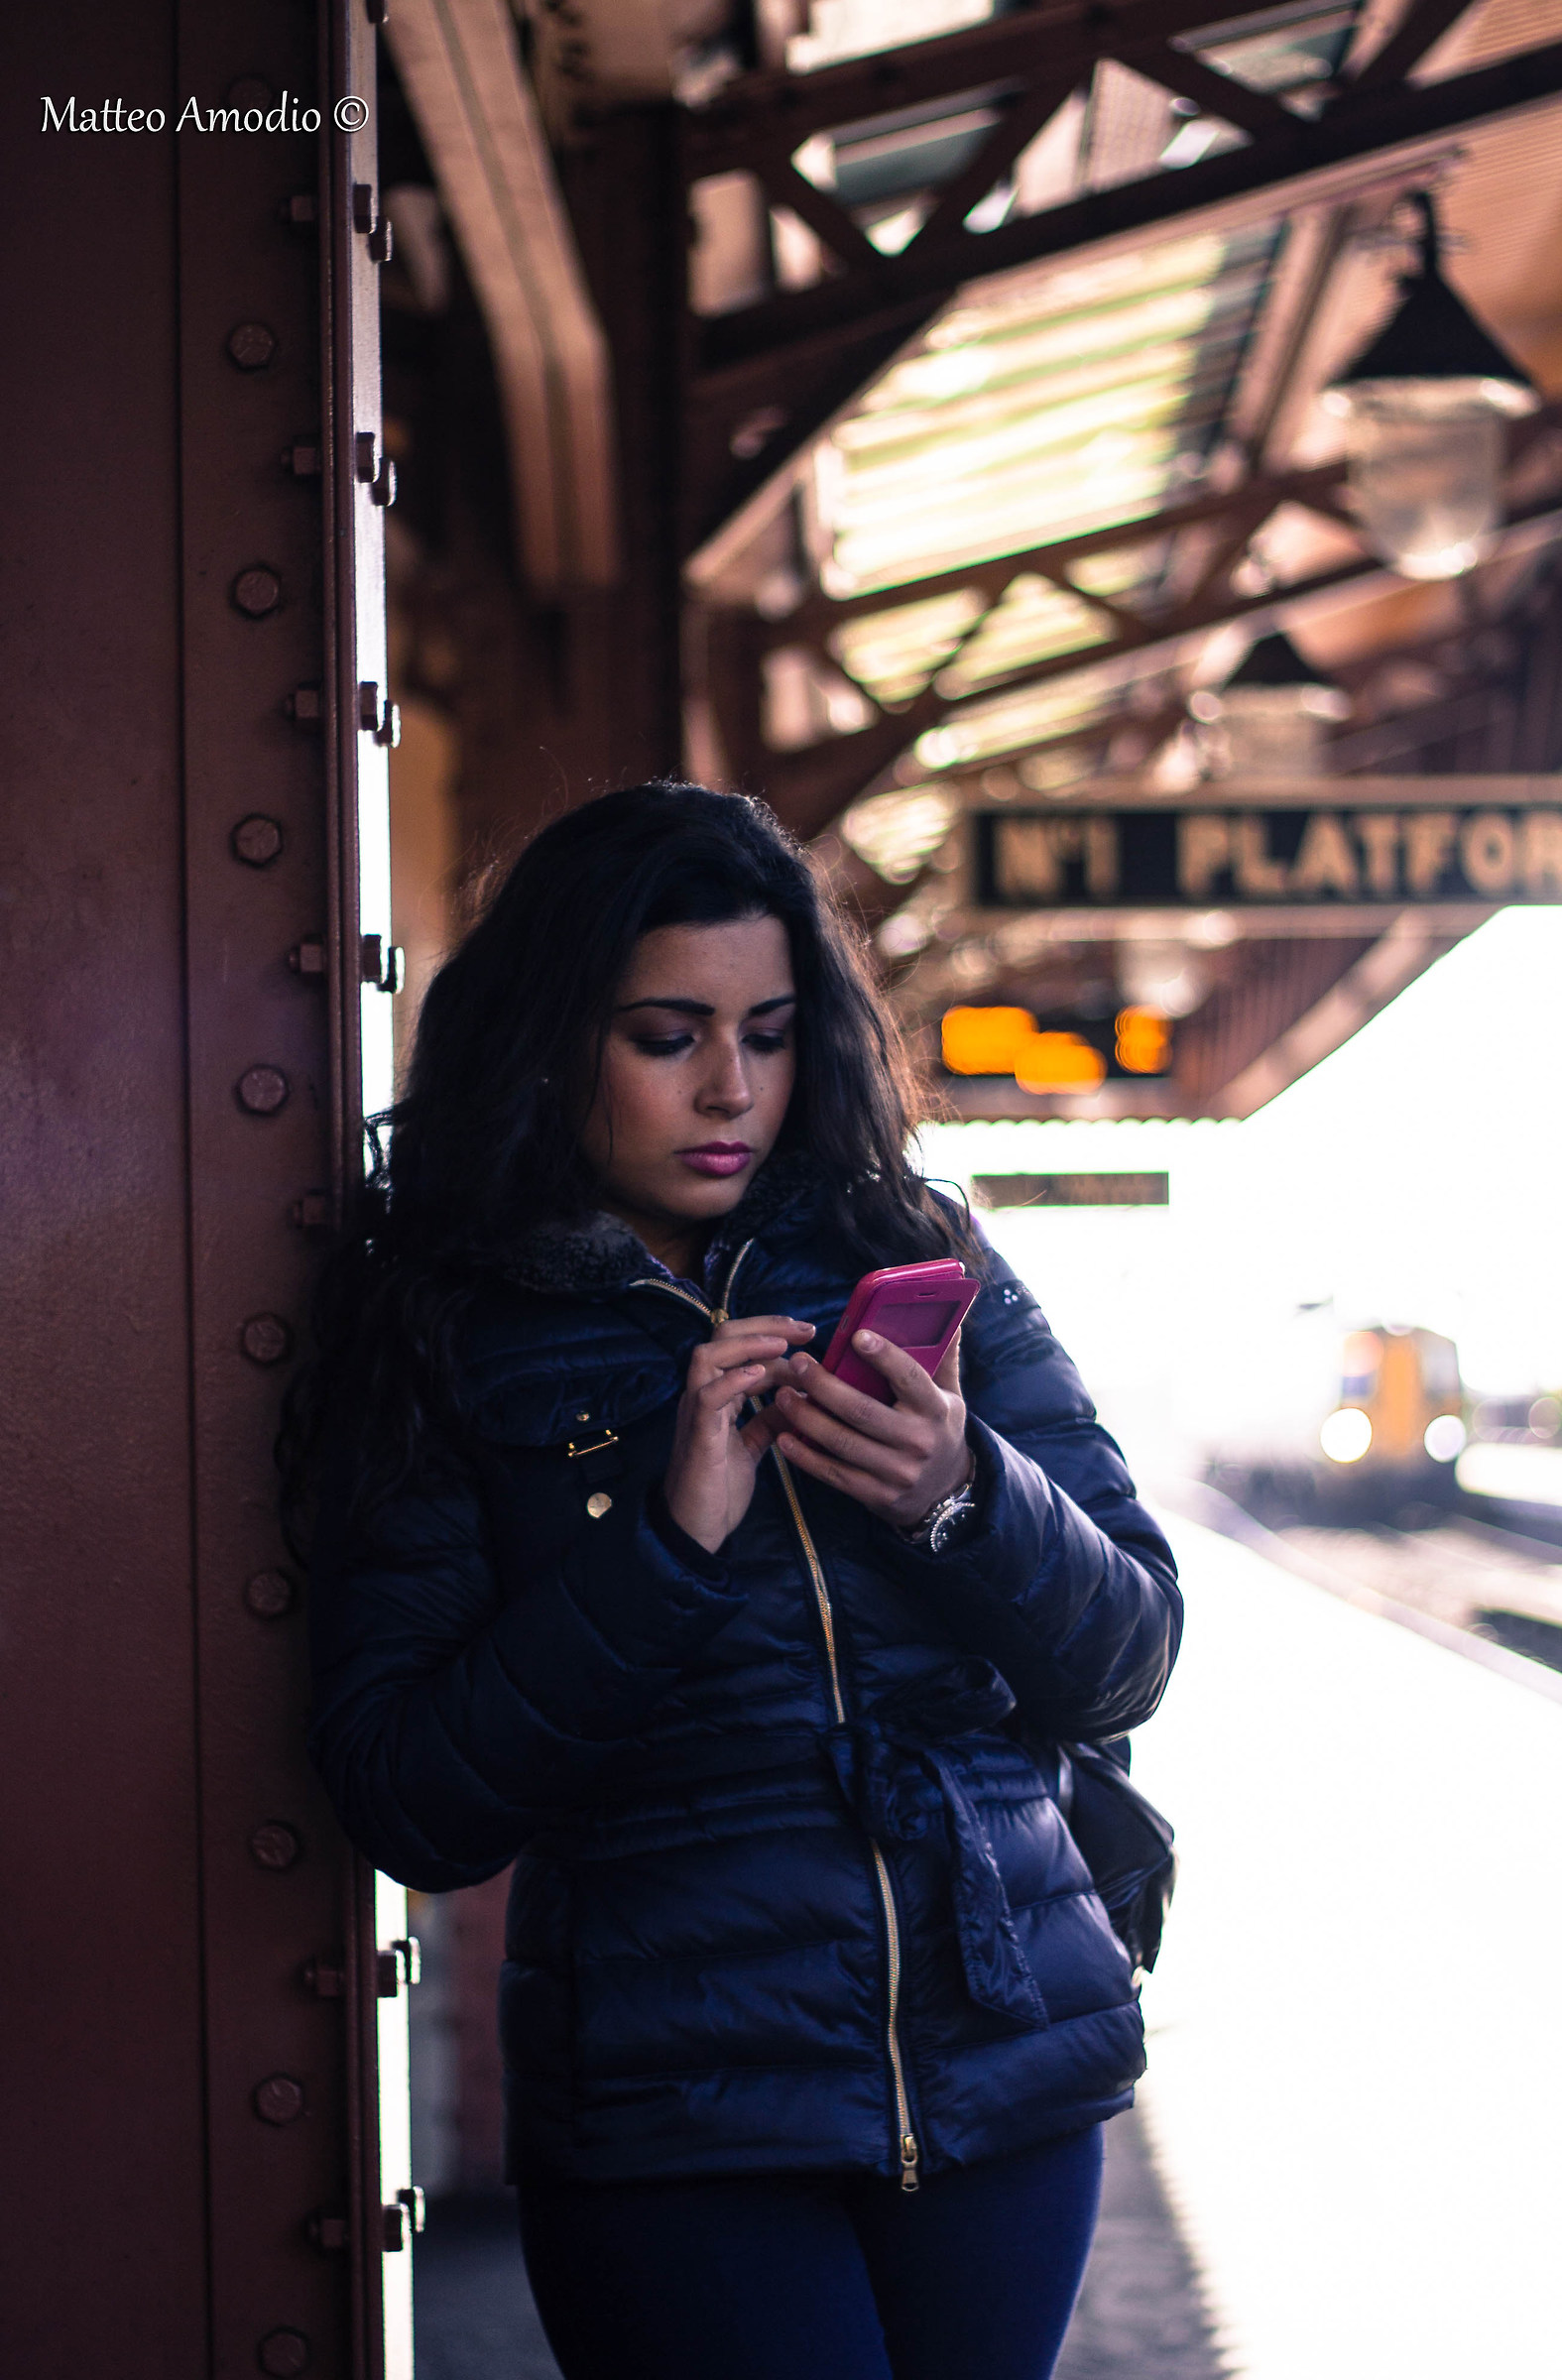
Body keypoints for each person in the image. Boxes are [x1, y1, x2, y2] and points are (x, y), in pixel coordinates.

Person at [300, 782, 1181, 2380]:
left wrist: (965, 1496)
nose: (731, 1088)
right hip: (677, 2118)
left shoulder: (922, 1256)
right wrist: (664, 1545)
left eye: (770, 1033)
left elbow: (1132, 1651)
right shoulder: (444, 1331)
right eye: (667, 1035)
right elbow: (412, 1798)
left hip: (1000, 2075)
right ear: (555, 1038)